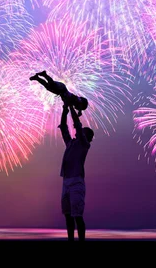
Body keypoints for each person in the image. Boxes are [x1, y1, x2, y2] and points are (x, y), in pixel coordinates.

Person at [58, 103, 94, 241]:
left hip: (76, 182)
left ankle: (81, 242)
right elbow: (64, 129)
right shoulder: (71, 143)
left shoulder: (85, 145)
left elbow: (77, 125)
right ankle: (71, 241)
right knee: (67, 214)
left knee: (77, 215)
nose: (79, 131)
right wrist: (64, 110)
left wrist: (72, 108)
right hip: (66, 182)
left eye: (83, 132)